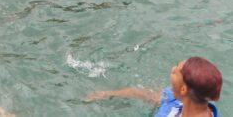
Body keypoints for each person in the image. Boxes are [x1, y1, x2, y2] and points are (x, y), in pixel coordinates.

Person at [85, 57, 222, 117]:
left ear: (183, 89)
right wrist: (109, 93)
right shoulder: (182, 101)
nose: (172, 69)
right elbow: (148, 95)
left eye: (175, 71)